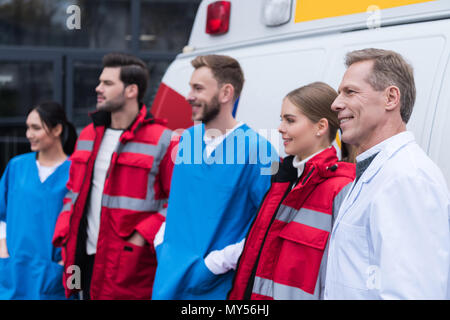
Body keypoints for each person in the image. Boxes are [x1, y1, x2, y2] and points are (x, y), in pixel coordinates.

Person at [324, 48, 450, 299]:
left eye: (350, 91)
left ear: (391, 98)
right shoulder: (377, 170)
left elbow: (413, 293)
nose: (335, 103)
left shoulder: (408, 177)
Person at [52, 52, 178, 300]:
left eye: (108, 83)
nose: (98, 88)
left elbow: (177, 201)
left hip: (129, 263)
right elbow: (73, 191)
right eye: (100, 82)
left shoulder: (164, 139)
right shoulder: (88, 133)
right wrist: (66, 226)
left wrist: (141, 235)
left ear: (131, 90)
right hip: (83, 256)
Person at [152, 54, 278, 300]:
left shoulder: (259, 151)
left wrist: (216, 264)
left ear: (225, 93)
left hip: (215, 288)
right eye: (190, 87)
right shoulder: (186, 140)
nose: (188, 95)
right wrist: (162, 243)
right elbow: (177, 202)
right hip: (168, 278)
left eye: (198, 88)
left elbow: (267, 224)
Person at [228, 82, 355, 300]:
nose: (280, 128)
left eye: (290, 120)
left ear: (321, 127)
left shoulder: (341, 187)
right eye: (281, 119)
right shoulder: (282, 178)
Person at [0, 101, 77, 299]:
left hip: (53, 271)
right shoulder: (16, 167)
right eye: (27, 128)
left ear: (57, 129)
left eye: (35, 128)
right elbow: (1, 213)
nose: (28, 134)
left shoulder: (75, 172)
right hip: (14, 269)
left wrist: (64, 264)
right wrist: (2, 250)